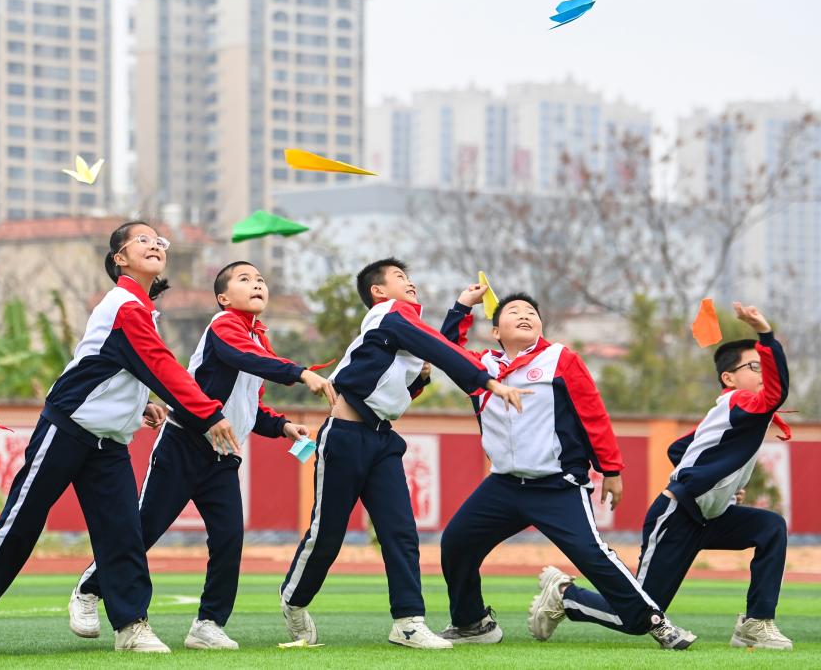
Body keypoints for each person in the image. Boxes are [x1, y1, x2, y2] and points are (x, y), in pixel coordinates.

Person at [0, 221, 239, 656]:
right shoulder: (123, 304)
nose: (155, 244)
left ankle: (131, 625)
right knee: (23, 521)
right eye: (143, 239)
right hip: (67, 428)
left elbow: (123, 368)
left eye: (159, 240)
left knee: (124, 535)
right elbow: (158, 363)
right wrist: (208, 412)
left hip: (109, 444)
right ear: (120, 258)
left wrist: (140, 405)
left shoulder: (141, 309)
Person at [69, 261, 337, 650]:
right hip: (184, 445)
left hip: (223, 455)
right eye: (245, 279)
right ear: (223, 298)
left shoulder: (258, 340)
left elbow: (248, 408)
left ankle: (208, 624)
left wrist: (281, 427)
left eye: (260, 279)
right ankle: (89, 588)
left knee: (229, 538)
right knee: (144, 529)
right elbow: (248, 360)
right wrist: (301, 373)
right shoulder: (225, 326)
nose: (257, 284)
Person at [279, 259, 527, 650]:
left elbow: (435, 348)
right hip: (344, 436)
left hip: (382, 441)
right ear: (378, 292)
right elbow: (437, 348)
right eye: (399, 278)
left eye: (409, 278)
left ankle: (408, 621)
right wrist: (487, 381)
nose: (409, 282)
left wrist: (461, 308)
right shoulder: (387, 314)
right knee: (327, 535)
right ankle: (293, 601)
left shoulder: (403, 331)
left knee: (400, 533)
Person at [438, 286, 694, 649]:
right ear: (495, 331)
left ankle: (656, 622)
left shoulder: (561, 358)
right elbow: (445, 351)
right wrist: (463, 306)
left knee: (594, 555)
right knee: (456, 542)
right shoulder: (483, 369)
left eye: (531, 311)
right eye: (513, 311)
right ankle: (472, 624)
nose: (525, 314)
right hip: (504, 486)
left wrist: (612, 469)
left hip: (557, 485)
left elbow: (593, 415)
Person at [548, 302, 792, 650]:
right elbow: (776, 393)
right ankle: (566, 596)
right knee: (638, 616)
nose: (762, 371)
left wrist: (720, 483)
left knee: (770, 528)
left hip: (709, 516)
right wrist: (765, 334)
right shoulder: (740, 401)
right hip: (677, 516)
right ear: (729, 378)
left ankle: (755, 623)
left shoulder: (731, 412)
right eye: (754, 366)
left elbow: (679, 449)